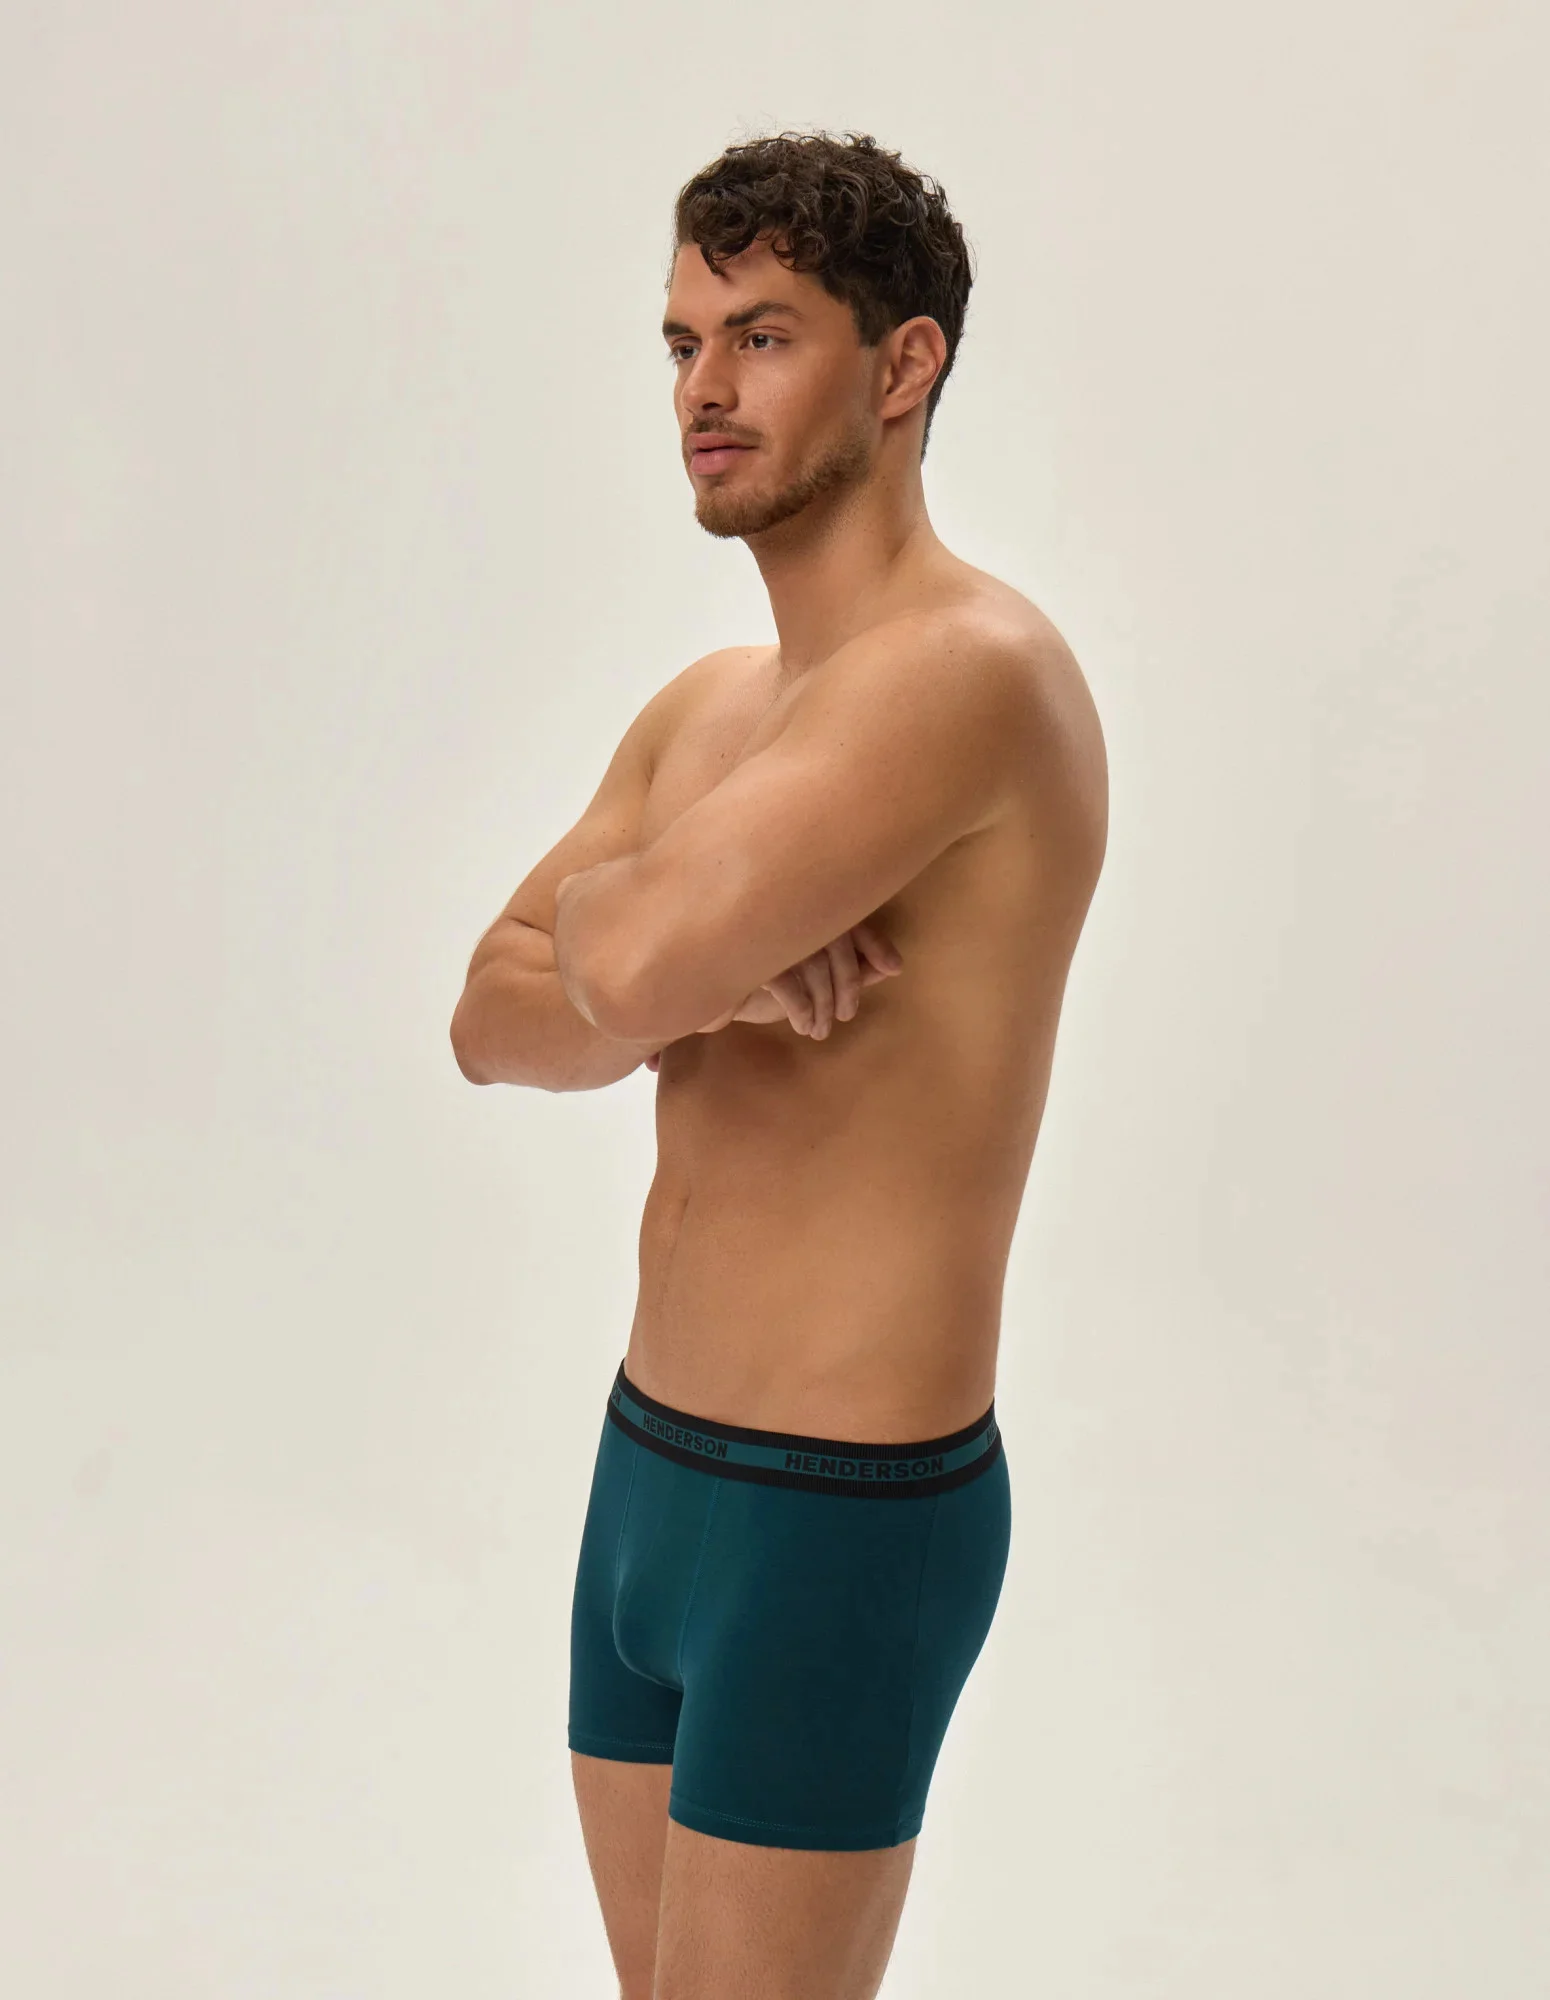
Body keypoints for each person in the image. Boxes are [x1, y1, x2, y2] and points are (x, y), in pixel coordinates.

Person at [450, 128, 1107, 2000]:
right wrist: (712, 964)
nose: (704, 391)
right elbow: (488, 1022)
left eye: (761, 336)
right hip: (647, 1475)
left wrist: (661, 947)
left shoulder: (969, 671)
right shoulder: (712, 710)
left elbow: (614, 962)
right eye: (682, 343)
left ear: (903, 366)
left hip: (841, 1516)